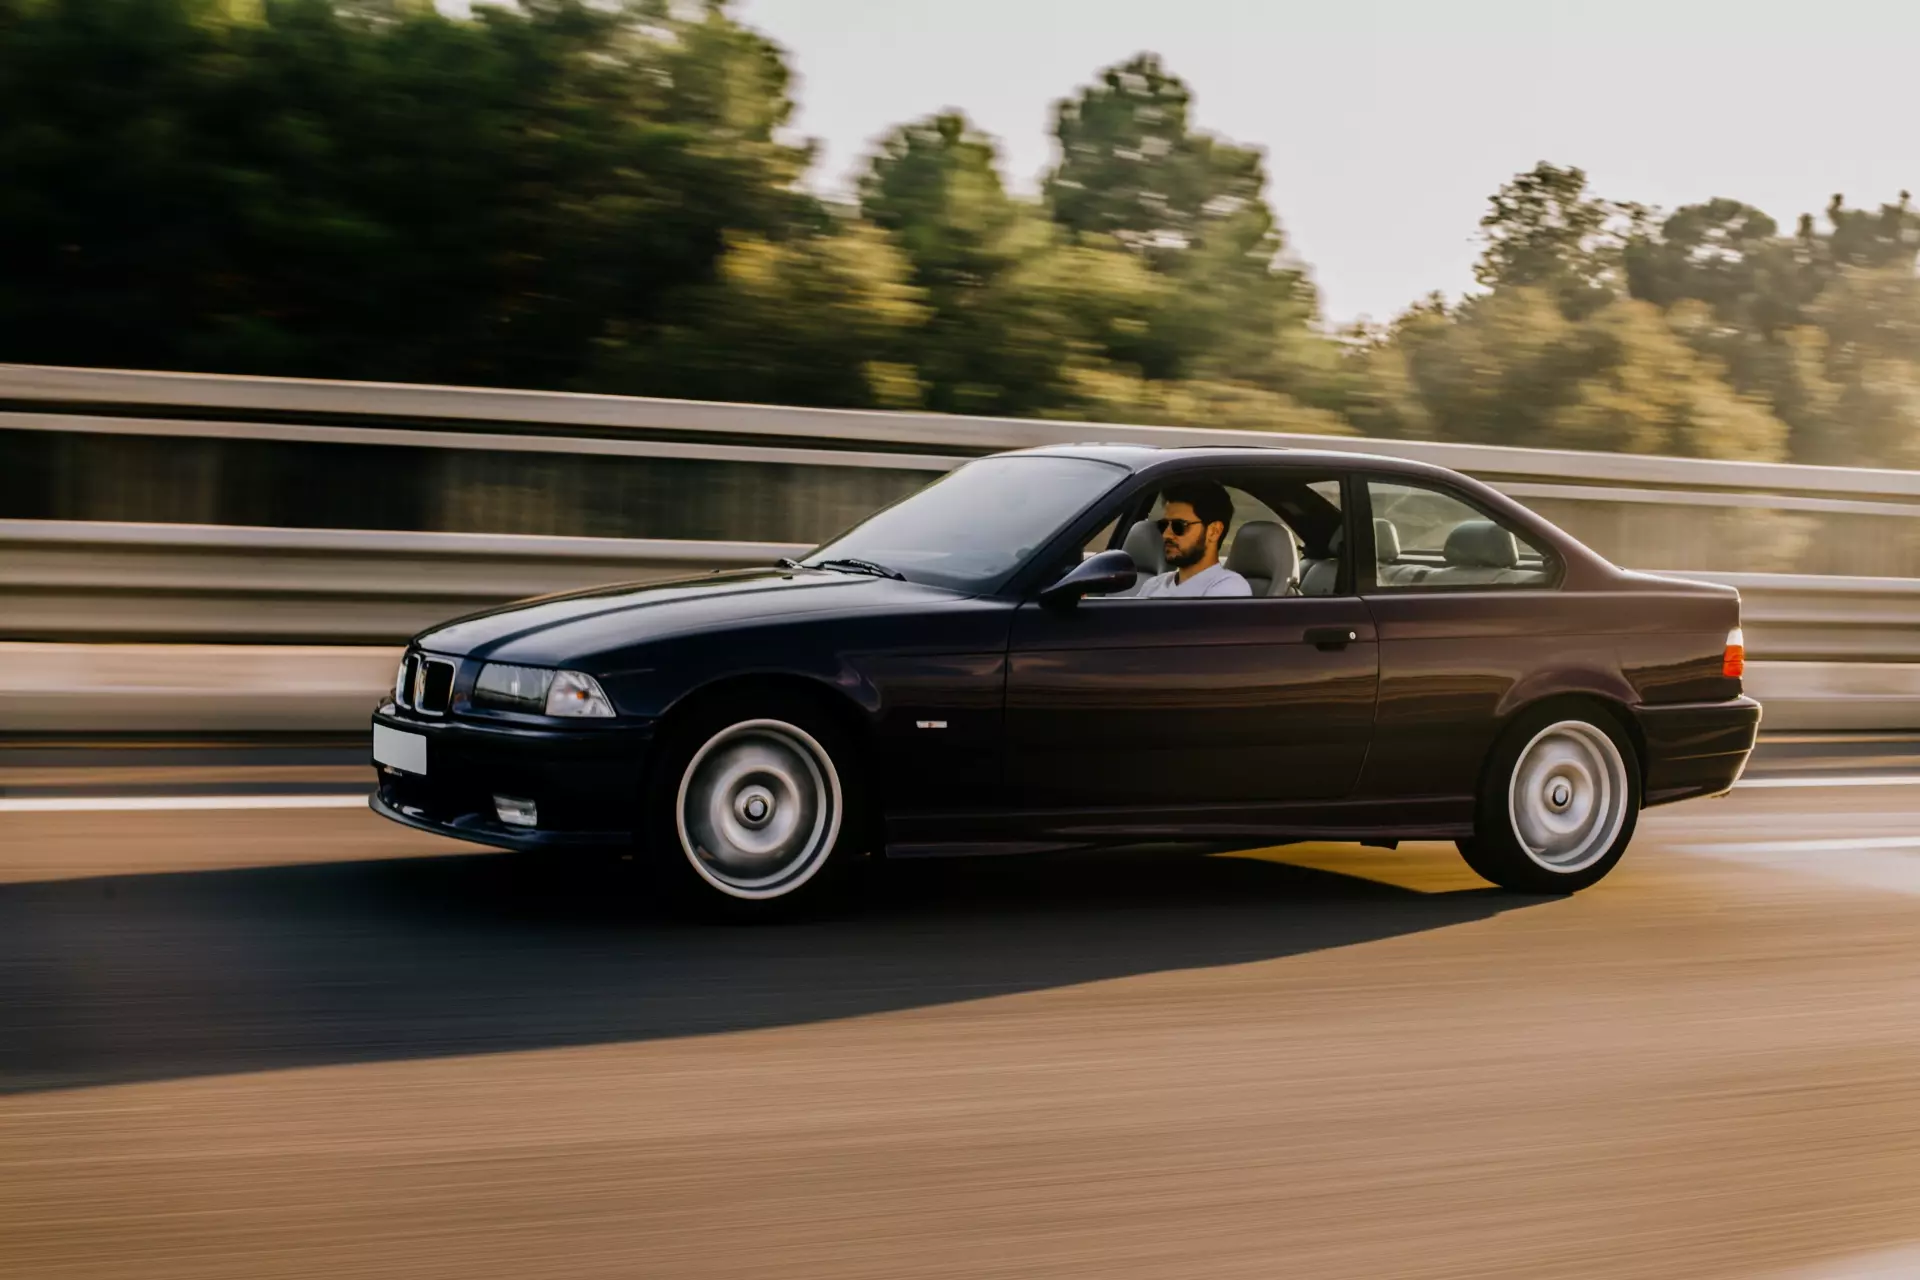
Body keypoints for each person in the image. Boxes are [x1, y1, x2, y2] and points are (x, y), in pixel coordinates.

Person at [1129, 480, 1252, 598]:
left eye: (1179, 526)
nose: (1166, 534)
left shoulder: (1230, 589)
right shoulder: (1152, 585)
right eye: (1164, 525)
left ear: (1214, 531)